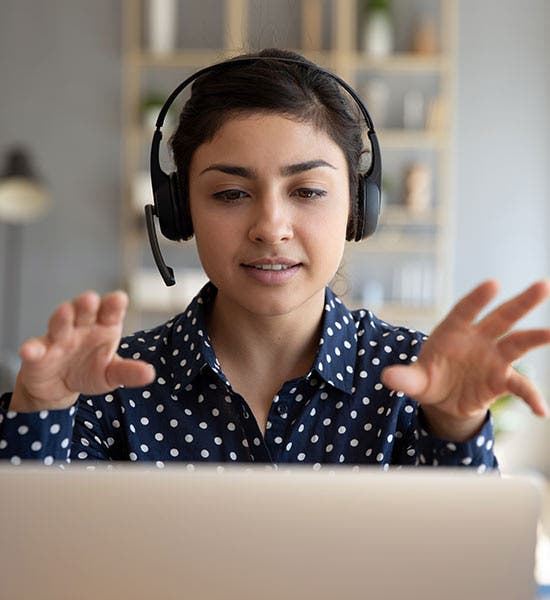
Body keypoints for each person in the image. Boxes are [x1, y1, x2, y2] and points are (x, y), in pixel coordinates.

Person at [0, 48, 549, 469]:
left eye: (307, 191)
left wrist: (453, 428)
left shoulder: (417, 381)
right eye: (230, 194)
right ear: (179, 210)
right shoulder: (107, 386)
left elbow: (456, 574)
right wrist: (38, 410)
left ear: (358, 208)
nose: (269, 227)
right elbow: (28, 562)